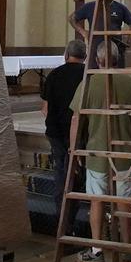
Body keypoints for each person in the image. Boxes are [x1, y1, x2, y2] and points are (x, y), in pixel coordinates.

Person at [69, 42, 131, 262]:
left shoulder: (89, 82)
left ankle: (97, 250)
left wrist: (74, 149)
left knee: (97, 200)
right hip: (126, 152)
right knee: (124, 203)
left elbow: (76, 119)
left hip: (97, 151)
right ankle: (128, 250)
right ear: (117, 59)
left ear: (97, 60)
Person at [39, 40, 87, 220]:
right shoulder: (88, 75)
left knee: (61, 171)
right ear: (85, 56)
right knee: (77, 171)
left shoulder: (54, 75)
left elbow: (45, 108)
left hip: (56, 132)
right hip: (80, 132)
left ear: (66, 55)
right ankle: (73, 212)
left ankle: (62, 216)